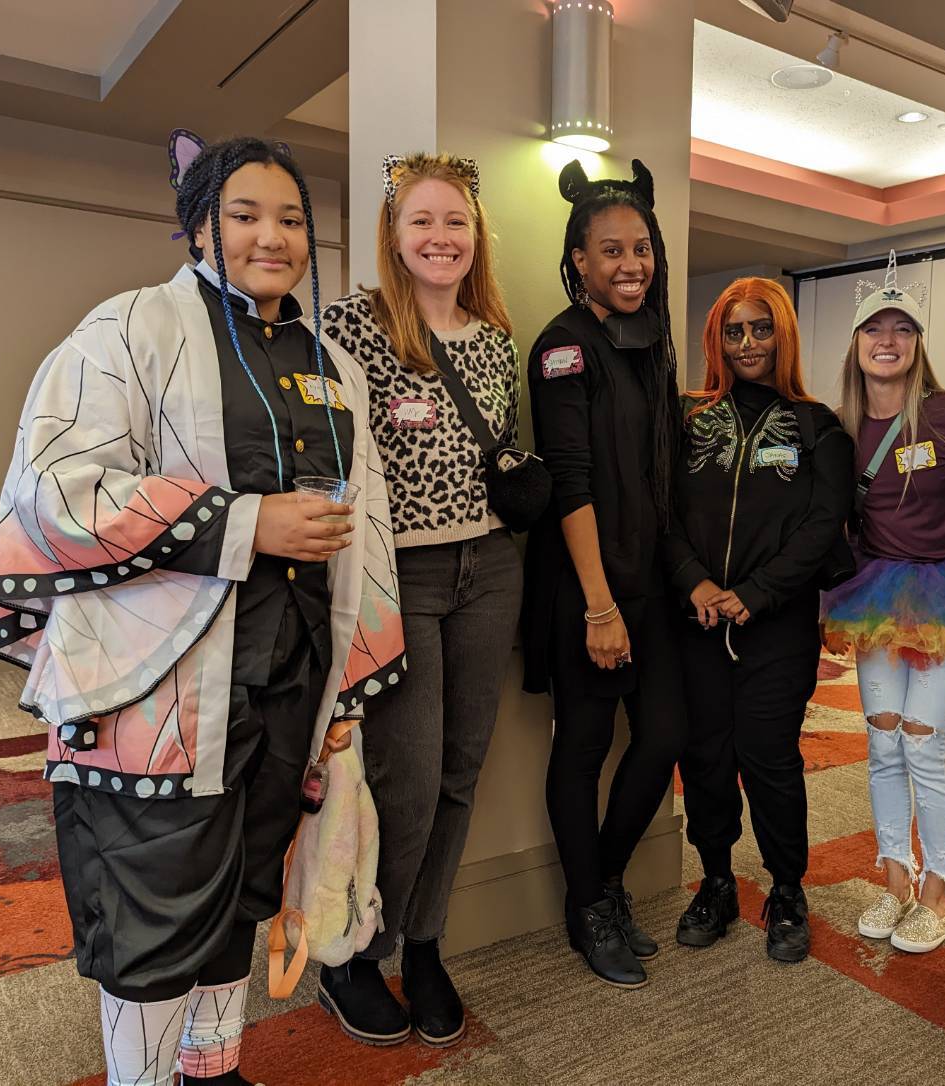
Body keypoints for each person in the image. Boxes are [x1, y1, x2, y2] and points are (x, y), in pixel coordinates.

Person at [0, 137, 403, 1086]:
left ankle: (212, 1074)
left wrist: (346, 690)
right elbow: (57, 490)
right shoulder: (128, 329)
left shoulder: (332, 363)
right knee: (157, 907)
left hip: (291, 677)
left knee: (245, 894)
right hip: (155, 689)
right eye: (244, 215)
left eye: (291, 218)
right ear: (199, 228)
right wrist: (244, 523)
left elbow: (367, 525)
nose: (272, 236)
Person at [317, 153, 523, 1047]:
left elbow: (500, 453)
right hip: (399, 575)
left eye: (457, 222)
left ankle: (425, 944)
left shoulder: (495, 337)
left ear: (477, 236)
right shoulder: (349, 327)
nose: (441, 238)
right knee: (404, 779)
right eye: (423, 221)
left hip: (492, 569)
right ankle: (358, 952)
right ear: (394, 234)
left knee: (460, 772)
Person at [520, 158, 686, 990]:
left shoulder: (652, 340)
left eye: (641, 248)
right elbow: (571, 481)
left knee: (663, 737)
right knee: (583, 747)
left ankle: (606, 881)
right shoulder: (562, 348)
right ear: (579, 260)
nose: (631, 264)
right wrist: (598, 607)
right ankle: (586, 907)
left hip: (651, 583)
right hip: (587, 588)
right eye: (611, 250)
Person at [666, 277, 853, 963]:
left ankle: (787, 890)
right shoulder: (687, 418)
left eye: (761, 328)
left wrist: (756, 592)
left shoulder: (816, 427)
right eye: (734, 330)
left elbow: (822, 525)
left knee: (769, 758)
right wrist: (694, 580)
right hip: (695, 622)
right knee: (705, 758)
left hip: (776, 626)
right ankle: (716, 882)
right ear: (716, 338)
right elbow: (659, 510)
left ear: (784, 336)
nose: (747, 343)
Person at [819, 257, 945, 957]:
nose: (887, 341)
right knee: (883, 740)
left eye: (902, 329)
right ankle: (895, 880)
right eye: (874, 329)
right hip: (875, 596)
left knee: (925, 743)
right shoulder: (840, 425)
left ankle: (939, 894)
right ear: (857, 343)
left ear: (918, 343)